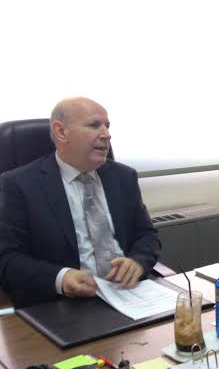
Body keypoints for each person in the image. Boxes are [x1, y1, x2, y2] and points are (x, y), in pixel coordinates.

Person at [0, 97, 160, 307]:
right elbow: (7, 258)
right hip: (62, 304)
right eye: (94, 125)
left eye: (107, 126)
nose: (106, 134)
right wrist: (61, 278)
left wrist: (137, 261)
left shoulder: (124, 177)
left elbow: (147, 235)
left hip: (128, 293)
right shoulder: (20, 185)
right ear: (61, 132)